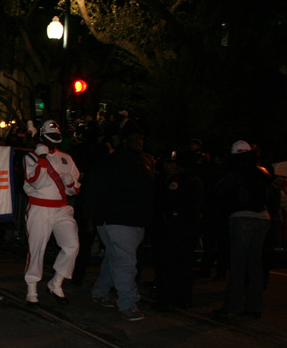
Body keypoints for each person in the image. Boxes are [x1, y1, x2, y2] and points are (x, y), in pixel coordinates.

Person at [87, 120, 154, 321]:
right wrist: (91, 218)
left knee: (114, 257)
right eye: (134, 139)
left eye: (141, 138)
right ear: (125, 140)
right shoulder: (114, 161)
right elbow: (95, 189)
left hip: (132, 220)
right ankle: (128, 302)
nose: (139, 142)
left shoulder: (141, 162)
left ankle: (100, 291)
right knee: (125, 262)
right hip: (116, 220)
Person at [22, 120, 80, 306]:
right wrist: (41, 159)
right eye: (50, 137)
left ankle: (56, 282)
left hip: (61, 208)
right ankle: (32, 287)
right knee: (37, 247)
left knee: (72, 245)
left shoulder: (66, 158)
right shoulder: (31, 157)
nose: (53, 141)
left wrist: (69, 182)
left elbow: (75, 189)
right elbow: (34, 181)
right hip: (40, 208)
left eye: (56, 137)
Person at [211, 140, 272, 318]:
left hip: (242, 217)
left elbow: (217, 190)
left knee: (238, 264)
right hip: (262, 217)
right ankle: (254, 307)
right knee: (255, 264)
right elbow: (271, 196)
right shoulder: (263, 173)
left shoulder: (235, 172)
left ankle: (232, 305)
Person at [152, 151, 203, 311]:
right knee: (185, 265)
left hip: (174, 228)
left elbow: (166, 203)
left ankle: (167, 299)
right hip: (188, 228)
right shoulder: (196, 180)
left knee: (169, 265)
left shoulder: (178, 181)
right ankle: (183, 299)